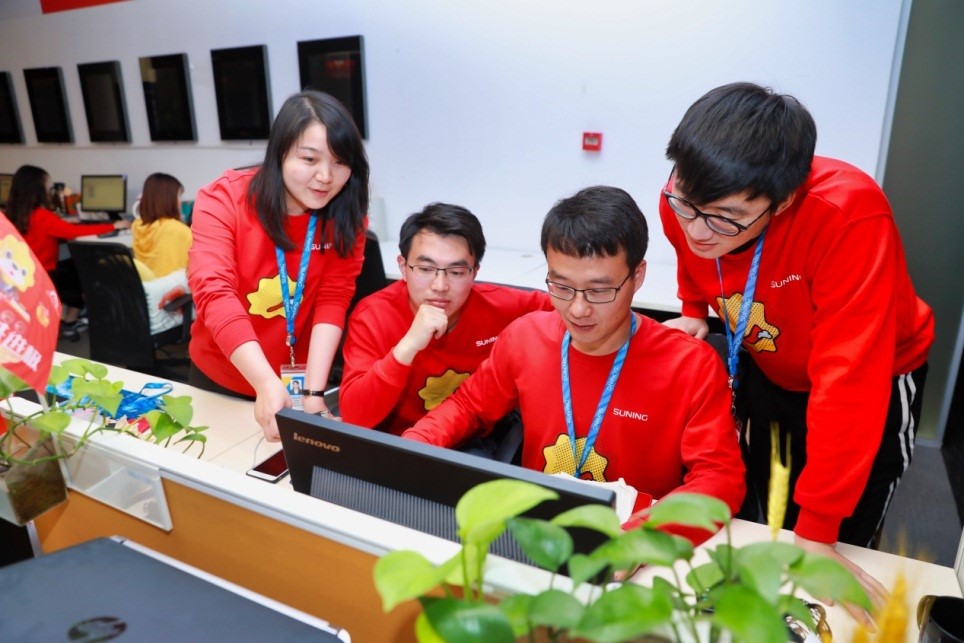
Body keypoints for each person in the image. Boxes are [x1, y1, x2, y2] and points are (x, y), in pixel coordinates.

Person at [658, 82, 933, 609]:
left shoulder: (848, 215)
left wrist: (820, 531)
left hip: (872, 376)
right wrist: (693, 309)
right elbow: (691, 252)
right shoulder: (684, 196)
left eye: (724, 217)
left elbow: (848, 379)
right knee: (772, 499)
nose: (697, 229)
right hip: (771, 362)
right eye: (686, 205)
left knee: (842, 539)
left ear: (782, 201)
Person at [403, 186, 745, 531]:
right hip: (538, 530)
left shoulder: (689, 364)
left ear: (637, 276)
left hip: (635, 537)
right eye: (562, 287)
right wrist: (411, 448)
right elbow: (468, 407)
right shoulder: (525, 338)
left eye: (599, 290)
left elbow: (719, 479)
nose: (578, 309)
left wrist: (639, 538)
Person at [188, 90, 369, 441]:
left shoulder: (346, 214)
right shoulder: (224, 198)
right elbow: (214, 292)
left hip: (298, 384)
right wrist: (264, 381)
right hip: (223, 378)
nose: (326, 176)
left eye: (340, 162)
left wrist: (313, 394)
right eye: (310, 159)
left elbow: (333, 298)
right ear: (280, 151)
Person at [339, 203, 554, 435]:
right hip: (400, 441)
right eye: (425, 269)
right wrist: (406, 348)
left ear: (475, 272)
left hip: (473, 440)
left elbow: (567, 309)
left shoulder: (499, 305)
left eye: (456, 272)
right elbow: (354, 418)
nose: (440, 286)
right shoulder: (372, 316)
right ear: (403, 267)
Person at [6, 164, 130, 338]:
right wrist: (114, 225)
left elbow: (60, 229)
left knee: (71, 264)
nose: (51, 191)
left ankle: (68, 314)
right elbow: (72, 232)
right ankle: (71, 319)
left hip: (26, 274)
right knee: (83, 268)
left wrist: (66, 223)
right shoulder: (41, 216)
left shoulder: (12, 214)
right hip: (44, 275)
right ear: (38, 189)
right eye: (49, 187)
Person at [131, 173, 192, 280]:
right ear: (168, 199)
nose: (180, 201)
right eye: (178, 196)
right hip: (172, 288)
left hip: (145, 287)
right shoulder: (178, 230)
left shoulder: (137, 225)